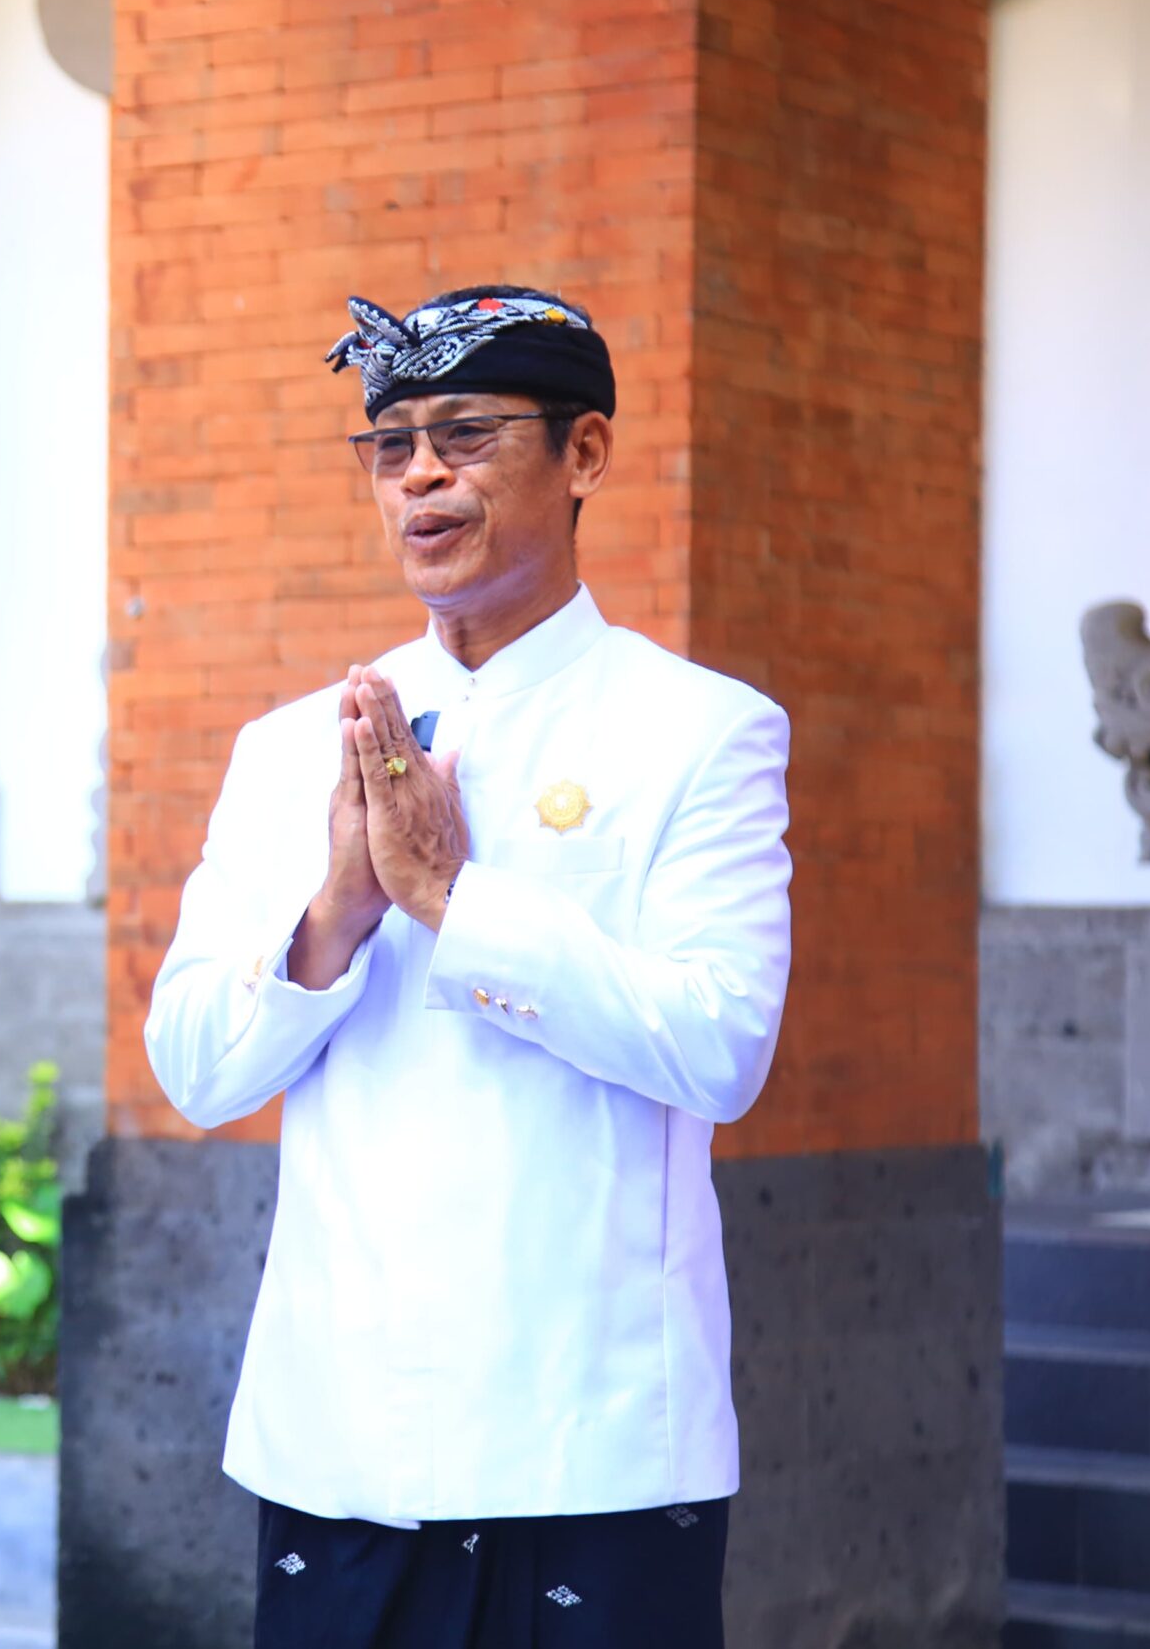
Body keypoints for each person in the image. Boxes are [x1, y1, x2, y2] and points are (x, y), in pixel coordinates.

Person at [143, 285, 793, 1648]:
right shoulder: (293, 746)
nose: (420, 475)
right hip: (345, 1436)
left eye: (465, 434)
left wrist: (452, 897)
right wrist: (342, 906)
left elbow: (720, 1048)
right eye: (392, 446)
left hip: (595, 1439)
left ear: (585, 453)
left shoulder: (699, 732)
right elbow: (195, 1069)